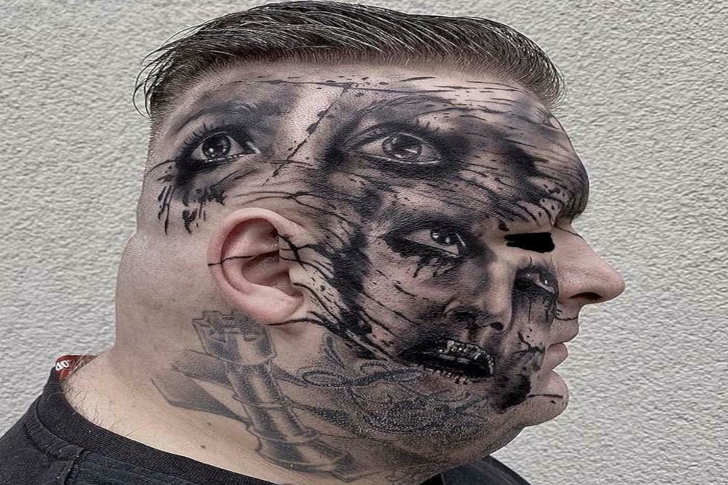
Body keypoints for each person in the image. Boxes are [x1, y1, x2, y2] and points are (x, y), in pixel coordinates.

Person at [0, 2, 625, 484]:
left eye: (561, 226)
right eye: (526, 233)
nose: (602, 279)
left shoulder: (413, 456)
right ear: (272, 268)